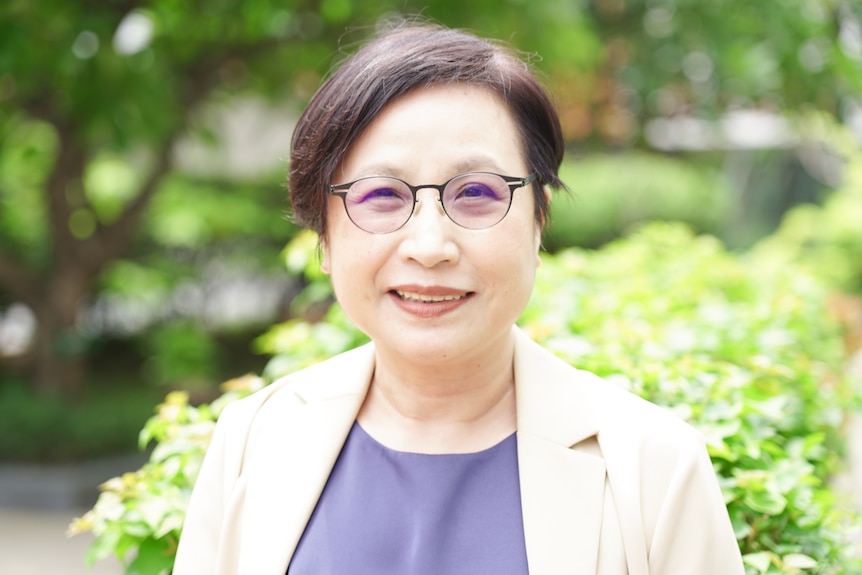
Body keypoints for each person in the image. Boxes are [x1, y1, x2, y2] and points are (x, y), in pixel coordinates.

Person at [173, 20, 745, 575]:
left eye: (476, 192)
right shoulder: (254, 438)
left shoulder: (655, 469)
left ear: (539, 220)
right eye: (380, 195)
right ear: (324, 237)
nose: (429, 245)